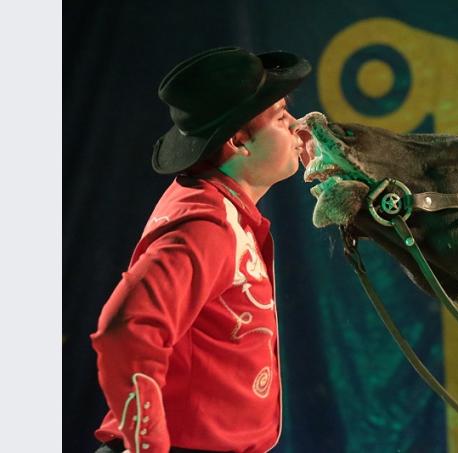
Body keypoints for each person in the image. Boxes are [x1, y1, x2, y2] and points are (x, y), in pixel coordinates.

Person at [91, 47, 313, 453]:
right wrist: (148, 446)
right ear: (239, 141)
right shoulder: (204, 226)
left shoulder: (225, 212)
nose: (297, 126)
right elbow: (125, 332)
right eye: (281, 117)